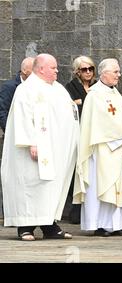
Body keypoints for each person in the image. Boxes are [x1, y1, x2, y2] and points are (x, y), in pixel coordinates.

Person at [1, 53, 79, 241]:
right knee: (31, 185)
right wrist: (32, 142)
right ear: (41, 68)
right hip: (33, 150)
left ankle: (49, 224)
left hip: (55, 149)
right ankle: (25, 226)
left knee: (50, 186)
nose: (57, 71)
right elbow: (22, 117)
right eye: (53, 68)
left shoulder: (58, 88)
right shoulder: (26, 89)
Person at [73, 58, 122, 237]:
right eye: (115, 72)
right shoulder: (95, 95)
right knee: (104, 185)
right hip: (102, 149)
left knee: (119, 185)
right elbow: (101, 124)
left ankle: (117, 224)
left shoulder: (116, 93)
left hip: (118, 147)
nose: (119, 75)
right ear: (104, 73)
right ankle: (102, 224)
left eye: (118, 71)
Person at [64, 55, 97, 225]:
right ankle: (76, 209)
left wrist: (80, 103)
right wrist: (77, 104)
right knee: (77, 172)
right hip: (77, 135)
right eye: (85, 69)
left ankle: (88, 209)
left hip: (94, 135)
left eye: (91, 68)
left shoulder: (98, 87)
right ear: (77, 71)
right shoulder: (70, 87)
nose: (89, 72)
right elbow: (66, 107)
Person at [0, 57, 34, 132]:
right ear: (24, 70)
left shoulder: (38, 87)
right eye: (34, 70)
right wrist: (11, 133)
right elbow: (2, 112)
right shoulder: (9, 87)